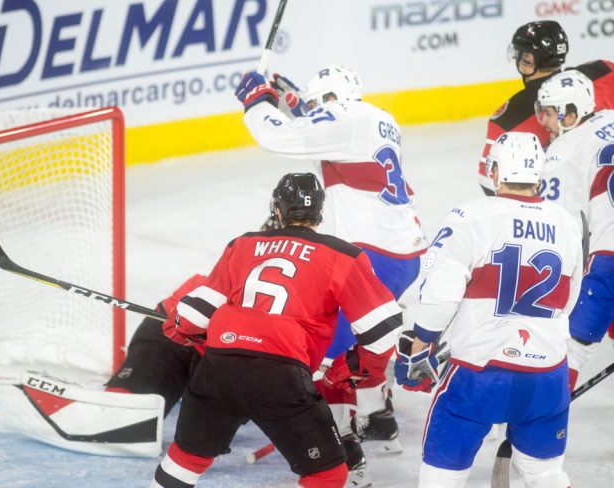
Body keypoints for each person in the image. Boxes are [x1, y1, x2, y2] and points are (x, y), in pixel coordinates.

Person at [150, 173, 403, 488]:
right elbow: (382, 331)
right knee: (327, 475)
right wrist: (348, 369)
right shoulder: (343, 255)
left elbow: (191, 317)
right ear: (319, 213)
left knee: (186, 459)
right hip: (281, 376)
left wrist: (179, 326)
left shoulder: (242, 244)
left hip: (219, 368)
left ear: (279, 210)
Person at [234, 64, 428, 451]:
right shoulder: (377, 118)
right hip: (403, 253)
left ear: (331, 100)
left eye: (317, 103)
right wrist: (294, 102)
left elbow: (277, 136)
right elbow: (324, 129)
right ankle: (376, 415)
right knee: (367, 334)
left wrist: (257, 101)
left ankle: (338, 439)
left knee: (328, 345)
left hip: (369, 255)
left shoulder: (344, 117)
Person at [395, 131, 583, 488]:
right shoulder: (567, 223)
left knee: (442, 476)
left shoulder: (471, 216)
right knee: (545, 475)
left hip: (479, 374)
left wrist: (422, 343)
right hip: (547, 376)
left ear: (495, 172)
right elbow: (569, 301)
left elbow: (440, 294)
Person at [0, 273, 206, 457]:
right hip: (178, 334)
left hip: (226, 351)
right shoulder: (238, 257)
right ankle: (12, 394)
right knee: (119, 421)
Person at [535, 69, 614, 391]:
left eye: (550, 114)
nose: (545, 122)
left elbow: (554, 226)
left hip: (610, 258)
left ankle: (539, 422)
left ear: (571, 113)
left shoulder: (563, 151)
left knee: (572, 347)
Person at [477, 20, 614, 196]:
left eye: (521, 54)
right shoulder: (603, 71)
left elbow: (489, 181)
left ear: (529, 60)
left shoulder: (509, 118)